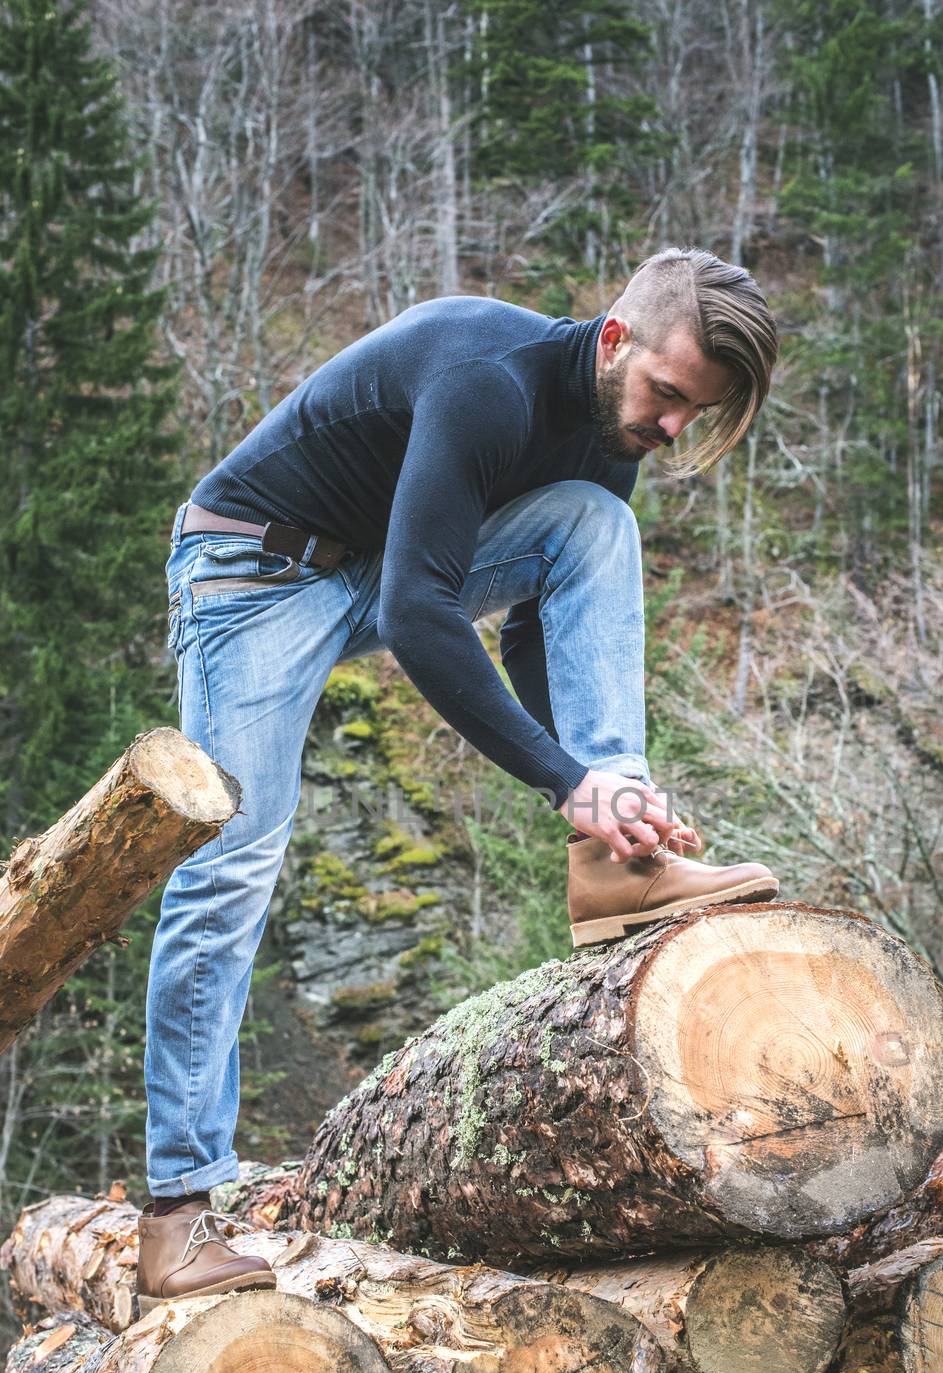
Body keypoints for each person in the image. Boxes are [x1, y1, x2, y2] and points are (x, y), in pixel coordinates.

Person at [135, 246, 781, 1310]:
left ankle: (620, 860)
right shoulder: (491, 379)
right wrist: (557, 775)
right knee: (232, 863)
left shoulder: (611, 432)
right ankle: (175, 1214)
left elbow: (542, 617)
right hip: (251, 571)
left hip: (379, 564)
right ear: (614, 339)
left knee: (595, 524)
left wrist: (593, 791)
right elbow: (417, 612)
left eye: (693, 413)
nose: (671, 428)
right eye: (668, 395)